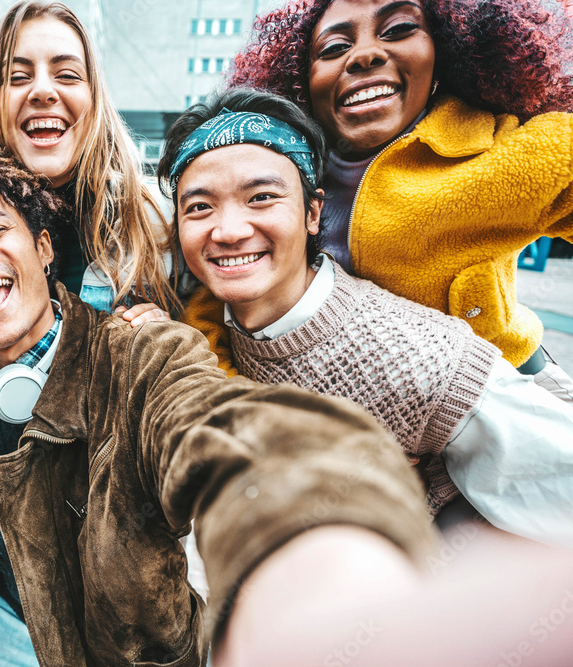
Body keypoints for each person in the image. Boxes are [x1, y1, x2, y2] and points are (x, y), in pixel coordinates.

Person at [0, 144, 437, 666]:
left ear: (43, 248)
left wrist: (313, 525)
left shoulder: (137, 353)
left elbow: (216, 430)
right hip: (6, 623)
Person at [159, 87, 573, 547]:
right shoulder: (198, 332)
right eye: (199, 207)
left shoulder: (424, 360)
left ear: (313, 212)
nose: (229, 231)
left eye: (261, 197)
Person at [184, 0, 573, 402]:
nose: (365, 54)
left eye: (399, 29)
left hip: (512, 390)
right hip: (370, 423)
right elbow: (218, 313)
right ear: (302, 79)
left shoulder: (508, 153)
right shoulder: (282, 175)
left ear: (444, 51)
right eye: (333, 48)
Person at [0, 1, 183, 322]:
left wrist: (172, 338)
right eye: (17, 77)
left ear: (94, 97)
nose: (43, 90)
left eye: (68, 75)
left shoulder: (161, 221)